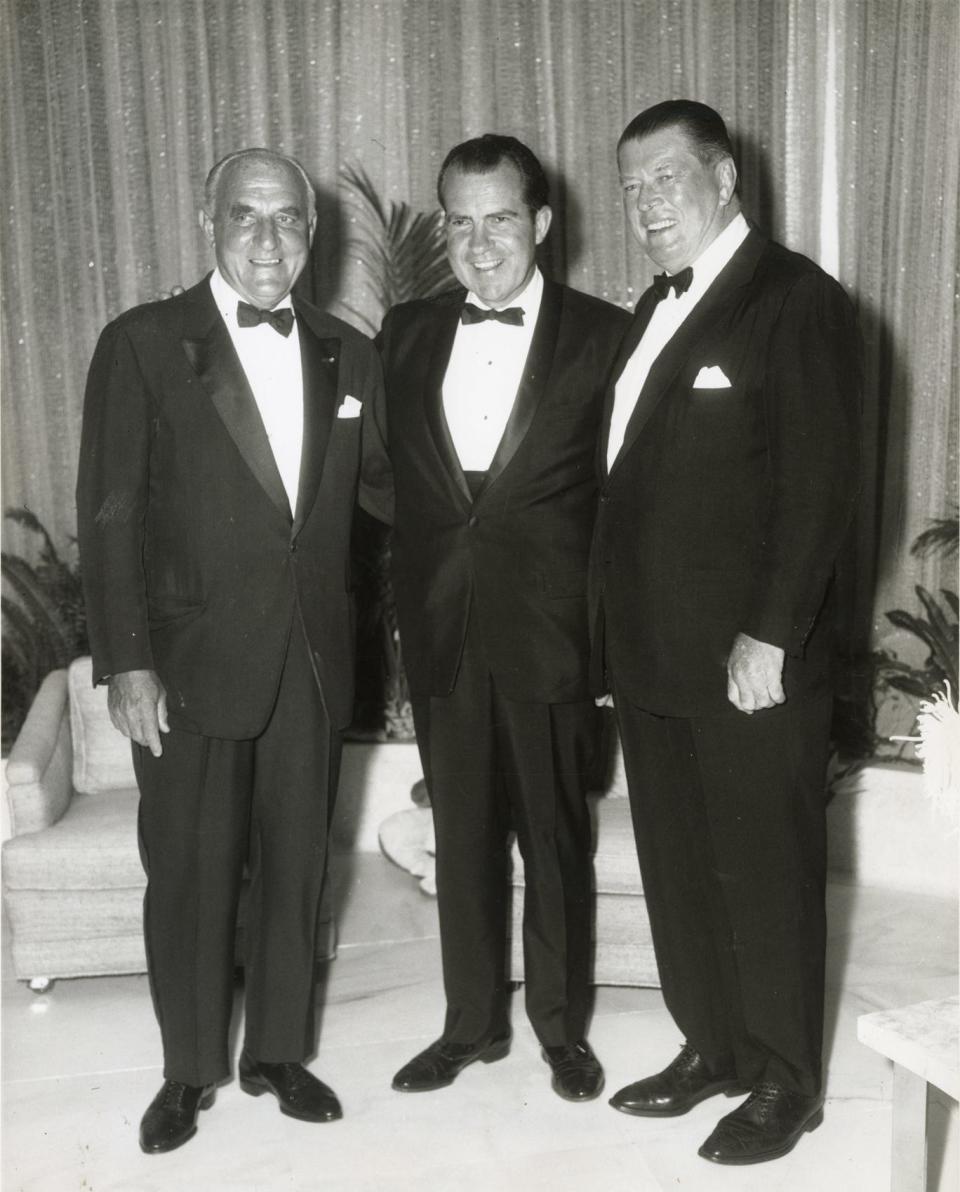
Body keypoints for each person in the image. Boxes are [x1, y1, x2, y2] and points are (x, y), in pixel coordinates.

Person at [76, 147, 392, 1154]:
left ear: (314, 233)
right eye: (245, 216)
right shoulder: (142, 343)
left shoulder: (351, 354)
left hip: (309, 660)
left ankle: (281, 1053)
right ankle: (187, 1070)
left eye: (288, 220)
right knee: (190, 873)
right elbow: (111, 514)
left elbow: (386, 497)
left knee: (298, 869)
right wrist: (127, 661)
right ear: (207, 219)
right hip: (188, 666)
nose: (268, 240)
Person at [591, 100, 860, 1164]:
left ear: (726, 176)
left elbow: (819, 487)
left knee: (767, 869)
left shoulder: (796, 301)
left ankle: (788, 1079)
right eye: (632, 188)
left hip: (751, 660)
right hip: (652, 658)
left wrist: (770, 634)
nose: (649, 205)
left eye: (668, 180)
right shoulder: (653, 307)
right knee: (682, 867)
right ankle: (715, 1046)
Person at [378, 135, 630, 1101]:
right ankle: (471, 1025)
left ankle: (561, 1029)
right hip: (445, 629)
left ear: (542, 223)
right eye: (460, 222)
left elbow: (624, 503)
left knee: (557, 839)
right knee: (464, 839)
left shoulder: (607, 336)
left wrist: (605, 640)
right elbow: (390, 481)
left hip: (553, 633)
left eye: (501, 219)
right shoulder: (405, 331)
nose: (480, 244)